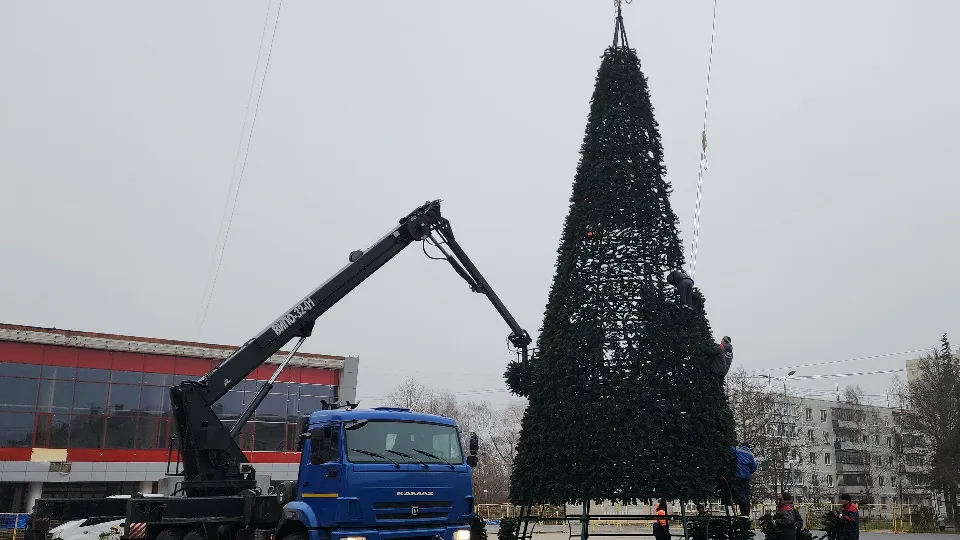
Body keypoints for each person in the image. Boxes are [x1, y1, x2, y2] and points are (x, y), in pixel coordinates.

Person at [729, 443, 758, 516]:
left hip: (738, 476)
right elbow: (754, 467)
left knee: (740, 494)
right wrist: (749, 472)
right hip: (746, 478)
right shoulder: (751, 455)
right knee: (746, 494)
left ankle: (743, 511)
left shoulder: (738, 450)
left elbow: (730, 449)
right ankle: (747, 511)